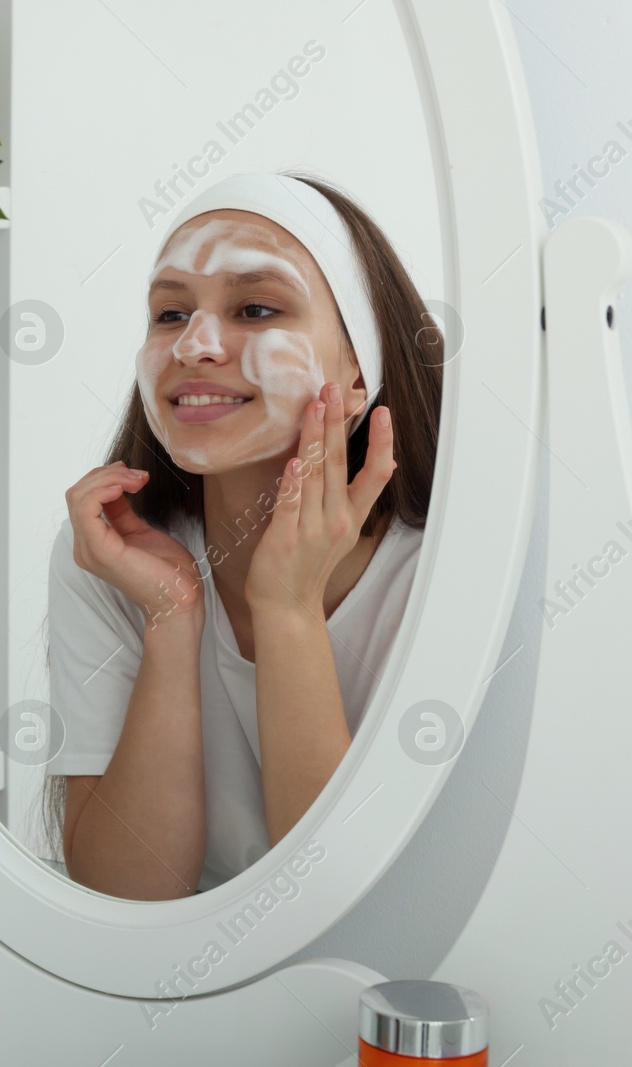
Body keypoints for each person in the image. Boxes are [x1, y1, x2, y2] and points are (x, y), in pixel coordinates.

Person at [45, 172, 442, 900]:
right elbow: (127, 893)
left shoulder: (440, 573)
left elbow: (338, 894)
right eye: (169, 313)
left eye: (255, 307)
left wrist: (288, 609)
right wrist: (171, 619)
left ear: (360, 374)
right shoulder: (113, 556)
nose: (193, 344)